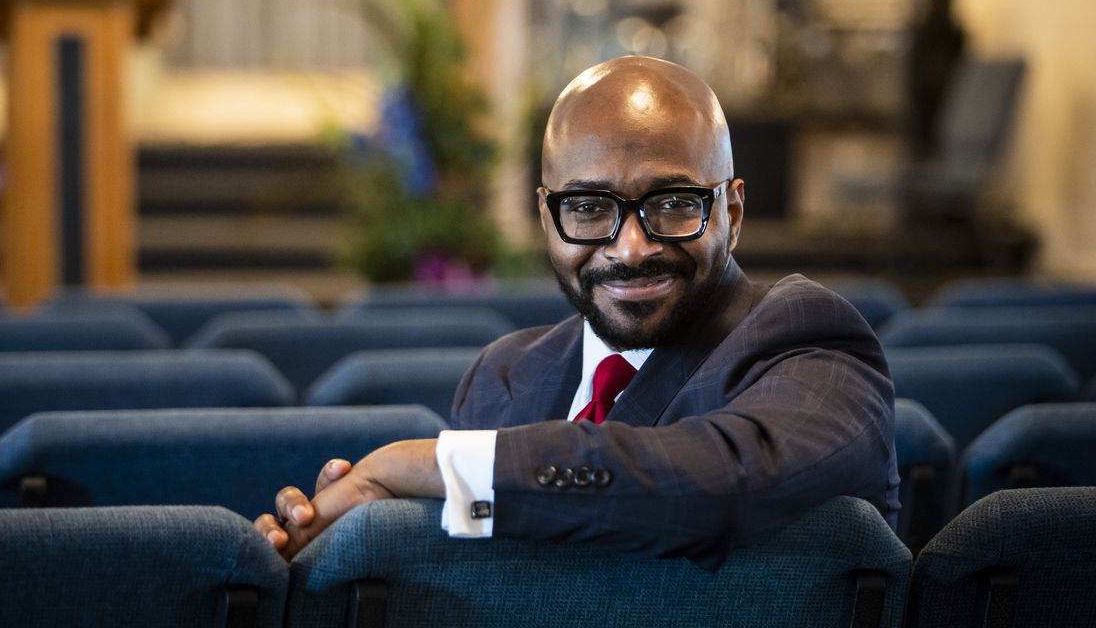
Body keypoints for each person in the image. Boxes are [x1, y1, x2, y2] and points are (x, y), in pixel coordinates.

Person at [254, 55, 899, 563]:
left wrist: (427, 467)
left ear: (730, 210)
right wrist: (340, 535)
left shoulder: (811, 343)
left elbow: (718, 482)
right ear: (546, 217)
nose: (631, 247)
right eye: (588, 209)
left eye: (672, 203)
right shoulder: (500, 378)